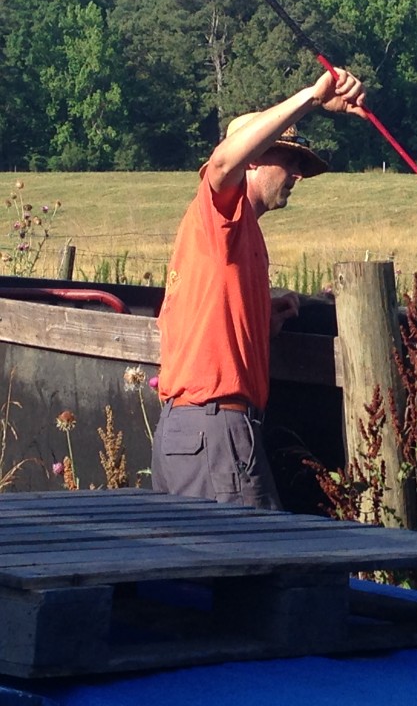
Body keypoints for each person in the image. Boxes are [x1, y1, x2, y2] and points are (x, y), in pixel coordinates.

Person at [151, 68, 366, 509]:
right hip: (215, 430)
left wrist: (261, 323)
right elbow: (221, 163)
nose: (298, 175)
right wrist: (313, 95)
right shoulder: (219, 213)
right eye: (289, 160)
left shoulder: (240, 231)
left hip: (194, 432)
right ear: (254, 158)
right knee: (253, 565)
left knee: (199, 573)